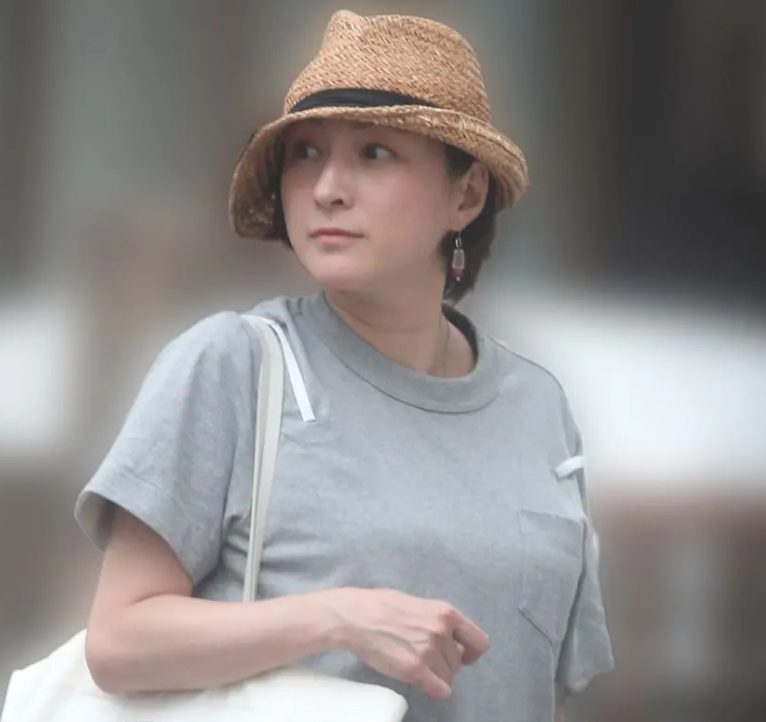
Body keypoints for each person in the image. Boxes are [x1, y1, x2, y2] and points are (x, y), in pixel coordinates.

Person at [74, 10, 614, 722]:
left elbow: (553, 688)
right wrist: (337, 618)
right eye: (305, 154)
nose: (328, 187)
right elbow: (119, 642)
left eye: (375, 153)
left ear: (466, 194)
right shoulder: (235, 366)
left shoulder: (538, 407)